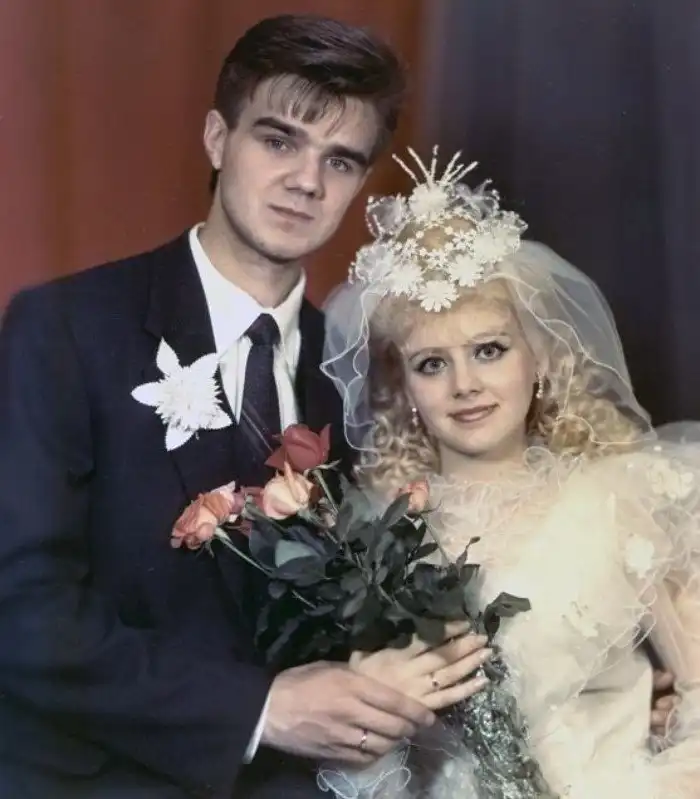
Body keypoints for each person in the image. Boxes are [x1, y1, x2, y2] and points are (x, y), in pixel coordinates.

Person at [0, 17, 490, 799]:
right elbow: (21, 613)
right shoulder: (67, 328)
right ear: (217, 139)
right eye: (278, 140)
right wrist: (257, 711)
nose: (306, 180)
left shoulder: (360, 373)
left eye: (340, 160)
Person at [320, 147, 700, 797]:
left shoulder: (626, 499)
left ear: (539, 356)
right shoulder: (373, 538)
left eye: (489, 350)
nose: (465, 384)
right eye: (432, 364)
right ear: (403, 385)